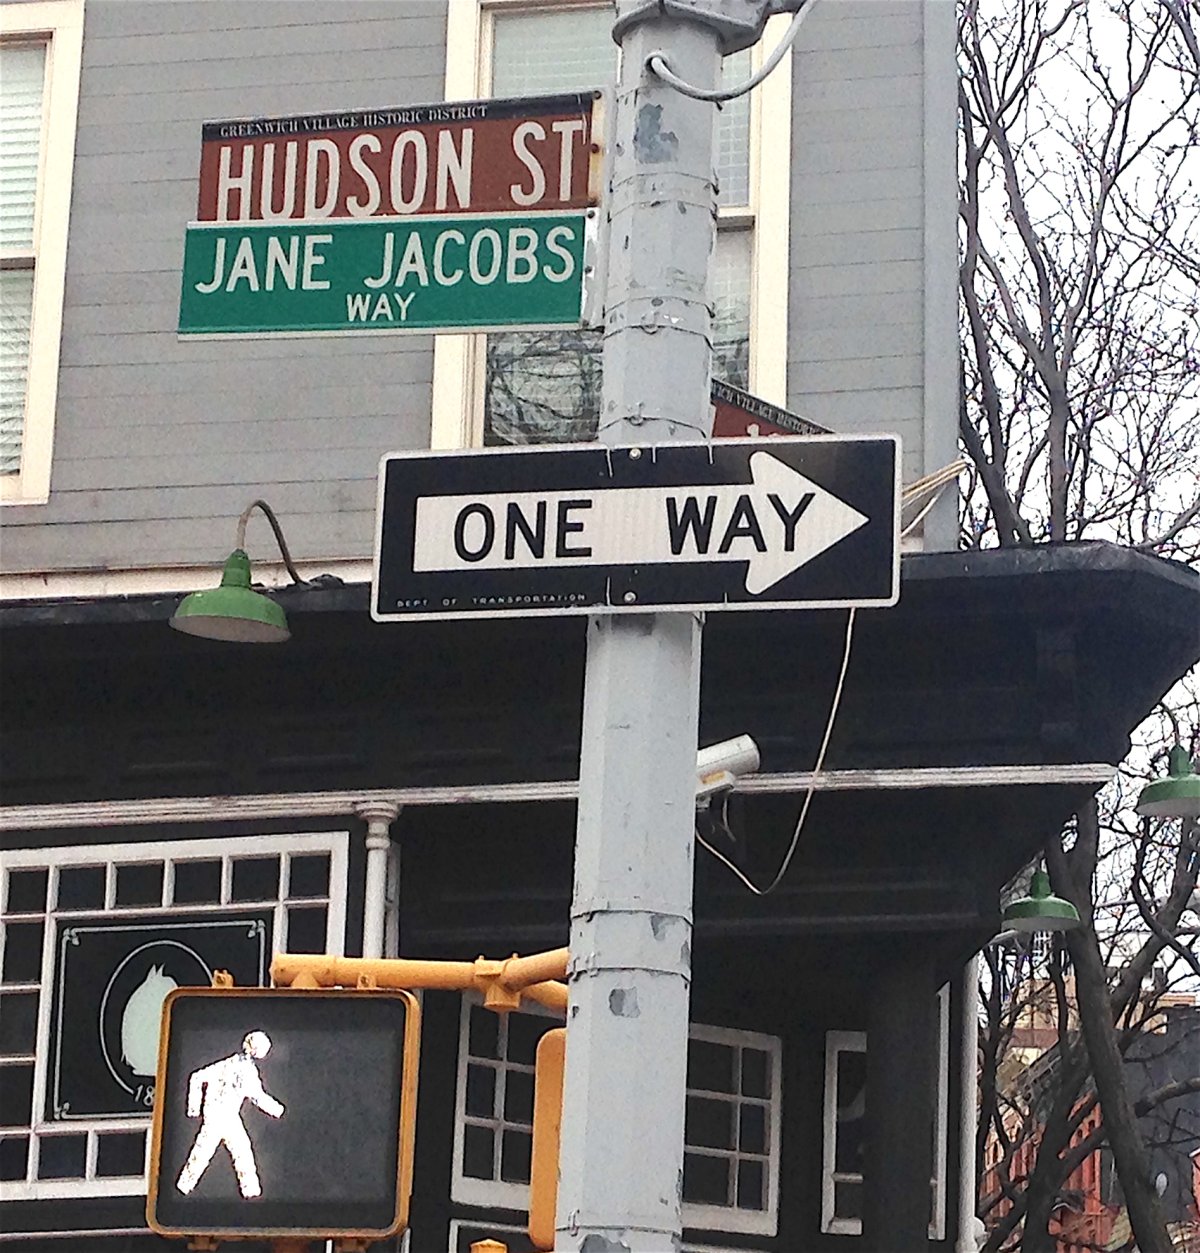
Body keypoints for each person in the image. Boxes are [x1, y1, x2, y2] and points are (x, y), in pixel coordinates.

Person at [176, 1030, 284, 1199]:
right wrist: (278, 1110)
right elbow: (257, 1096)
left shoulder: (227, 1064)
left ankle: (250, 1191)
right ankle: (184, 1187)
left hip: (227, 1117)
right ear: (256, 1050)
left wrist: (194, 1110)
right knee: (204, 1154)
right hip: (218, 1118)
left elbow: (196, 1077)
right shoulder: (245, 1071)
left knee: (240, 1152)